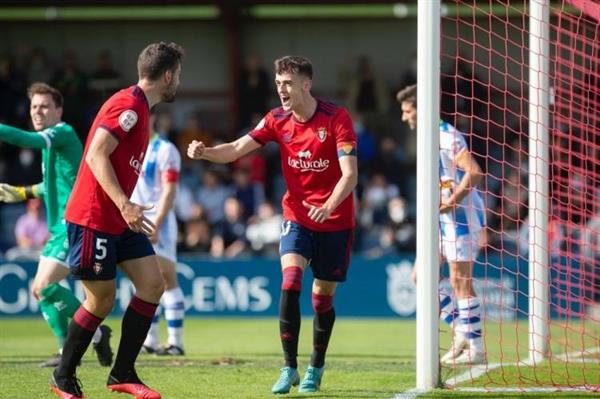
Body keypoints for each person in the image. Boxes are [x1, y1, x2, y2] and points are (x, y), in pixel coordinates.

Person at [188, 55, 358, 394]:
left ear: (306, 84)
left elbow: (350, 174)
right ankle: (289, 367)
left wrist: (328, 205)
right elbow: (237, 148)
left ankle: (316, 367)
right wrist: (206, 152)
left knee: (322, 298)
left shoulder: (336, 118)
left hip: (335, 218)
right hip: (296, 215)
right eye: (278, 83)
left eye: (287, 83)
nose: (281, 89)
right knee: (291, 279)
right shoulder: (276, 120)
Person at [49, 42, 184, 399]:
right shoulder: (128, 105)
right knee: (100, 301)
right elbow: (96, 155)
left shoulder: (141, 108)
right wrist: (125, 204)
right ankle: (63, 378)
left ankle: (122, 373)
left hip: (119, 218)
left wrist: (125, 209)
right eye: (178, 75)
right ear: (167, 75)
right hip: (95, 216)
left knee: (152, 285)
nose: (178, 83)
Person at [0, 82, 113, 368]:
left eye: (44, 106)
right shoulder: (51, 144)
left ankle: (93, 335)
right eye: (34, 107)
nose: (38, 112)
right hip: (59, 227)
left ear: (58, 110)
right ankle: (76, 345)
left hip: (75, 223)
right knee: (40, 290)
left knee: (46, 286)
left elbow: (26, 140)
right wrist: (24, 192)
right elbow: (55, 185)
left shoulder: (61, 133)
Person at [396, 84, 487, 365]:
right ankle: (462, 329)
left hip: (461, 218)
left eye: (407, 111)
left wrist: (452, 201)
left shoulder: (446, 135)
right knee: (421, 277)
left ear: (421, 109)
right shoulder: (426, 137)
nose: (404, 117)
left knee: (460, 281)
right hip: (442, 219)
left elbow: (475, 172)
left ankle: (476, 349)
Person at [131, 113, 186, 356]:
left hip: (158, 223)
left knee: (166, 278)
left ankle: (175, 342)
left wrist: (158, 222)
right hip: (134, 222)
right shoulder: (130, 149)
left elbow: (169, 190)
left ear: (152, 117)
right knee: (144, 282)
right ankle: (150, 341)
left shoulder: (165, 149)